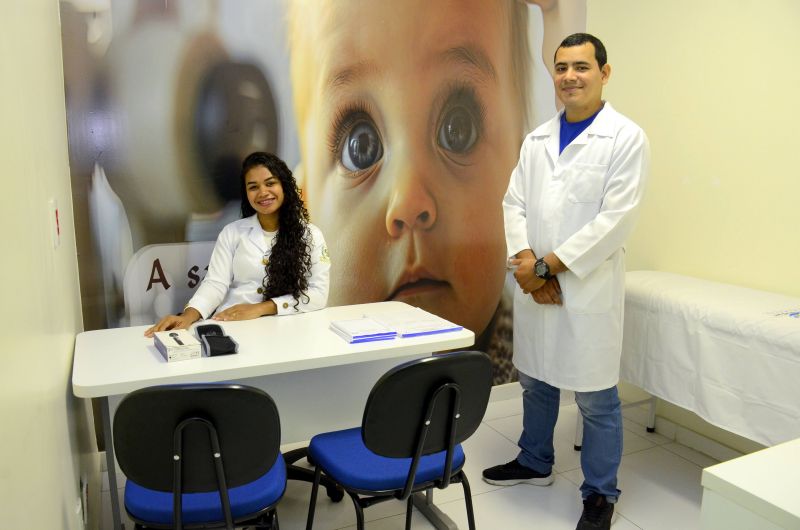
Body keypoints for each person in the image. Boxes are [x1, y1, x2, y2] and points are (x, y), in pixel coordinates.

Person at [285, 0, 558, 383]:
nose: (408, 200)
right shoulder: (293, 377)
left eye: (458, 130)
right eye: (360, 146)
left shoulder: (536, 370)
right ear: (306, 205)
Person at [482, 34, 650, 530]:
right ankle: (534, 460)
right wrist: (528, 262)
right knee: (534, 380)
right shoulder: (536, 140)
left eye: (581, 66)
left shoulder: (625, 138)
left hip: (584, 287)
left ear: (604, 72)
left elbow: (615, 220)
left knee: (597, 400)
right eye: (561, 67)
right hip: (537, 281)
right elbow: (513, 203)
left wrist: (544, 268)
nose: (570, 76)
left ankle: (600, 493)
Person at [144, 152, 330, 336]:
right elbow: (215, 283)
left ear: (284, 186)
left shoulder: (311, 235)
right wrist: (188, 316)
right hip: (231, 326)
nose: (263, 192)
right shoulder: (232, 232)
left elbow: (318, 295)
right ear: (246, 193)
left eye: (270, 183)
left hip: (287, 329)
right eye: (253, 187)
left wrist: (261, 308)